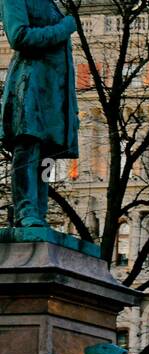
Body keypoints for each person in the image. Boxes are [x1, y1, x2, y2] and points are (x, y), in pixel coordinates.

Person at [1, 0, 80, 229]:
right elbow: (19, 37)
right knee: (28, 148)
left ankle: (39, 209)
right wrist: (63, 29)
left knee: (47, 155)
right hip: (30, 85)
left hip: (53, 93)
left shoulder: (51, 5)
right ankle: (26, 210)